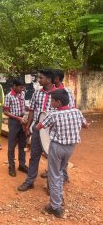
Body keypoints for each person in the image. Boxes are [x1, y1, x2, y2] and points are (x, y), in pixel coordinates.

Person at [33, 89, 88, 218]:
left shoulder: (53, 115)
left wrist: (35, 126)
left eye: (52, 100)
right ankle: (59, 198)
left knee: (53, 175)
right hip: (70, 148)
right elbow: (86, 125)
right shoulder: (77, 112)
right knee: (61, 172)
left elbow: (39, 126)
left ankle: (55, 206)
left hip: (57, 147)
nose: (51, 102)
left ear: (58, 102)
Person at [18, 69, 56, 191]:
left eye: (41, 78)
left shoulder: (60, 93)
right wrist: (28, 127)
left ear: (49, 79)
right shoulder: (37, 93)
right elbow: (32, 110)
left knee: (52, 158)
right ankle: (30, 181)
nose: (38, 80)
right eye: (38, 78)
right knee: (34, 155)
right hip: (37, 130)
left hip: (52, 132)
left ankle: (51, 184)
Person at [39, 69, 76, 180]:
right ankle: (53, 172)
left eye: (52, 77)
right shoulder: (51, 90)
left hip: (61, 127)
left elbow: (71, 108)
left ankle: (62, 176)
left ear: (56, 78)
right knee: (51, 151)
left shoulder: (66, 91)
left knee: (60, 153)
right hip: (50, 125)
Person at [3, 79, 28, 177]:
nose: (22, 89)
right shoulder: (8, 96)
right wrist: (18, 118)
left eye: (23, 88)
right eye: (20, 87)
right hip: (14, 122)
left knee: (23, 143)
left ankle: (22, 164)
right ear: (14, 86)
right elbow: (5, 112)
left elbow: (23, 106)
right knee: (12, 145)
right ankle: (11, 166)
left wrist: (28, 109)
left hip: (23, 121)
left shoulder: (22, 94)